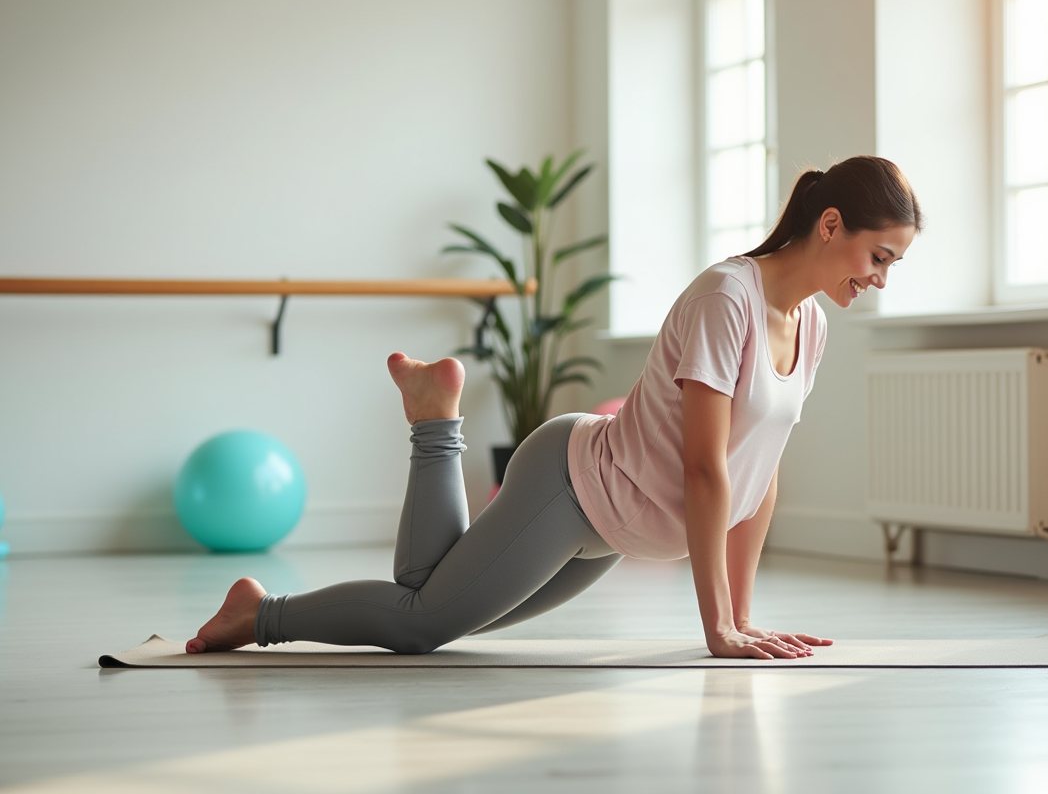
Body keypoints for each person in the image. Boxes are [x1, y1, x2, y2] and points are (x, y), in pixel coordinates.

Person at [187, 155, 922, 661]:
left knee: (433, 607)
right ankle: (259, 612)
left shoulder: (811, 324)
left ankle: (434, 419)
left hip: (611, 526)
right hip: (572, 486)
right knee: (421, 623)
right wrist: (718, 628)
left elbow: (757, 477)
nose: (881, 280)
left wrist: (744, 616)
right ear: (831, 225)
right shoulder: (727, 299)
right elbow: (705, 471)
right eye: (879, 257)